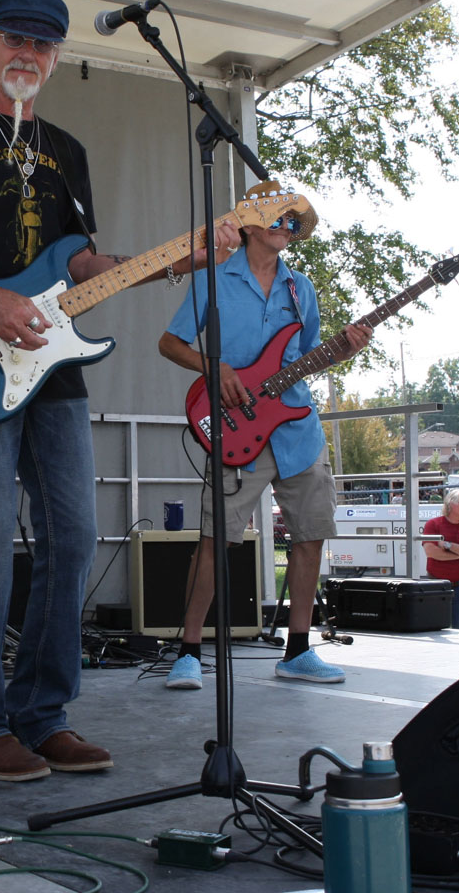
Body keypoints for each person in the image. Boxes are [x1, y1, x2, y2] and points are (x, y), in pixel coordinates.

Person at [0, 0, 234, 781]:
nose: (27, 55)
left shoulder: (66, 153)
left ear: (57, 58)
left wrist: (171, 261)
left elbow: (80, 268)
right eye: (14, 39)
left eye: (42, 45)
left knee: (73, 539)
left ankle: (42, 715)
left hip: (55, 367)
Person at [161, 188, 372, 690]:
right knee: (215, 540)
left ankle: (298, 649)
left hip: (298, 432)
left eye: (293, 221)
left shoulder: (302, 288)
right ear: (250, 225)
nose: (286, 225)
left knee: (309, 536)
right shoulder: (214, 280)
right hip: (237, 426)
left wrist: (344, 351)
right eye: (277, 216)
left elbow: (311, 354)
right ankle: (188, 651)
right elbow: (169, 343)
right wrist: (214, 368)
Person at [422, 489, 459, 630]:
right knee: (434, 629)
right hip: (435, 586)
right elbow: (432, 552)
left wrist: (448, 546)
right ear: (452, 504)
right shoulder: (433, 524)